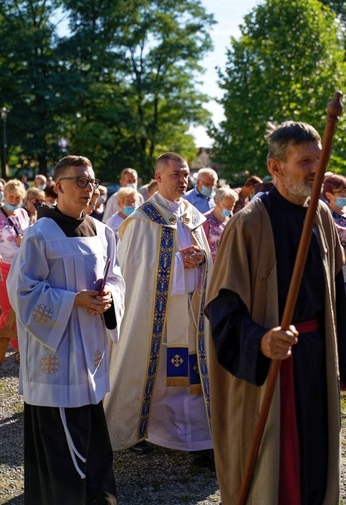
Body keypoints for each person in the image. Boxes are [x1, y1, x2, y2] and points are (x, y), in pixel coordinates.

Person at [205, 121, 346, 504]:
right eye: (304, 161)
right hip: (277, 368)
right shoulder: (247, 225)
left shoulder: (320, 216)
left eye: (319, 160)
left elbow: (339, 293)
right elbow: (221, 310)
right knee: (281, 470)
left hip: (318, 360)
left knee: (318, 457)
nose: (316, 169)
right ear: (275, 167)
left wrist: (343, 361)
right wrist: (261, 340)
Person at [7, 155, 125, 505]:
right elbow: (22, 291)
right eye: (80, 181)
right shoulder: (39, 234)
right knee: (63, 442)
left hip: (90, 348)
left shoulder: (104, 232)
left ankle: (96, 496)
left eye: (92, 181)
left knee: (91, 430)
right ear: (58, 187)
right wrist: (73, 300)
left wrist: (110, 297)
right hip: (55, 351)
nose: (89, 190)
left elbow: (116, 275)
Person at [104, 152, 214, 467]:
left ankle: (197, 437)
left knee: (192, 374)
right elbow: (134, 269)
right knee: (159, 374)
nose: (184, 180)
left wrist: (201, 259)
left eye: (186, 174)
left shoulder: (192, 214)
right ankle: (144, 431)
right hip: (156, 315)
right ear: (159, 176)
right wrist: (181, 261)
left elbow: (206, 255)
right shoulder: (143, 218)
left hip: (191, 311)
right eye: (177, 174)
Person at [0, 180, 30, 360]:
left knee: (20, 306)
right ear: (5, 196)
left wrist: (23, 242)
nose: (14, 199)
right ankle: (17, 347)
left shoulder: (24, 213)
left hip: (22, 264)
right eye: (11, 196)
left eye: (17, 197)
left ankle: (17, 344)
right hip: (3, 265)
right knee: (7, 308)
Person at [202, 186, 238, 262]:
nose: (230, 209)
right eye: (227, 206)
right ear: (217, 202)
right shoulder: (206, 220)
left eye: (232, 206)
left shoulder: (232, 220)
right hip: (210, 267)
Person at [322, 173, 346, 257]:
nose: (345, 194)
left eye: (345, 191)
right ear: (329, 195)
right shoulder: (326, 215)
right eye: (340, 192)